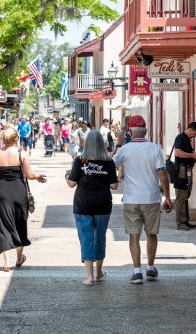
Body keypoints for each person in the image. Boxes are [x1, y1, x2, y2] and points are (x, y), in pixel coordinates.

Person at [112, 115, 172, 284]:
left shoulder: (125, 149)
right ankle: (151, 268)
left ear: (130, 131)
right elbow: (162, 173)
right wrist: (167, 197)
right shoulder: (154, 148)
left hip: (131, 199)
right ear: (145, 130)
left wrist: (119, 143)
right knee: (152, 234)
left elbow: (110, 163)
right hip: (151, 198)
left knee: (134, 236)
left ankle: (137, 271)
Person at [65, 130, 119, 286]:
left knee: (86, 239)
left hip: (83, 203)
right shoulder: (108, 162)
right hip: (102, 203)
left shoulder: (80, 161)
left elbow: (71, 183)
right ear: (102, 144)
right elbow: (114, 185)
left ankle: (89, 277)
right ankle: (98, 273)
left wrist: (66, 176)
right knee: (100, 238)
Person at [0, 127, 47, 271]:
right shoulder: (22, 154)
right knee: (20, 222)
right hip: (19, 191)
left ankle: (6, 262)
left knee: (4, 224)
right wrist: (38, 177)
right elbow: (29, 175)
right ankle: (19, 258)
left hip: (2, 191)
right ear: (16, 139)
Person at [172, 122, 196, 230]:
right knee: (181, 197)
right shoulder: (180, 138)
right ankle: (180, 222)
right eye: (194, 134)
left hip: (187, 169)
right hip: (182, 170)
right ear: (190, 129)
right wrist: (192, 155)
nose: (194, 137)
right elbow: (177, 153)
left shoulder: (186, 139)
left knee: (185, 196)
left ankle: (185, 220)